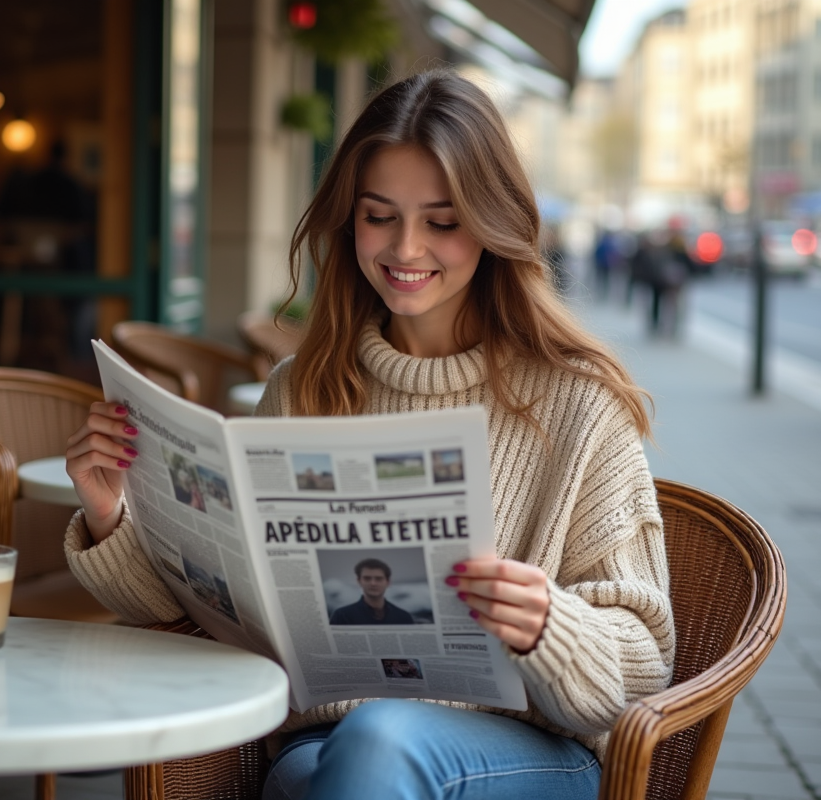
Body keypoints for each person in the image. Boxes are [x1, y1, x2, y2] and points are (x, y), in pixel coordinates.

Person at [63, 70, 674, 800]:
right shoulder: (303, 387)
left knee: (379, 743)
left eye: (442, 222)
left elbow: (643, 662)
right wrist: (112, 515)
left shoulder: (581, 406)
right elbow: (204, 613)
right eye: (379, 215)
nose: (406, 248)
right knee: (352, 754)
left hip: (530, 752)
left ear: (492, 223)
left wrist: (550, 623)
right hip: (325, 746)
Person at [328, 558, 415, 625]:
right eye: (367, 578)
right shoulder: (342, 616)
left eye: (379, 579)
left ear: (388, 582)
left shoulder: (404, 617)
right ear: (359, 581)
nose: (373, 583)